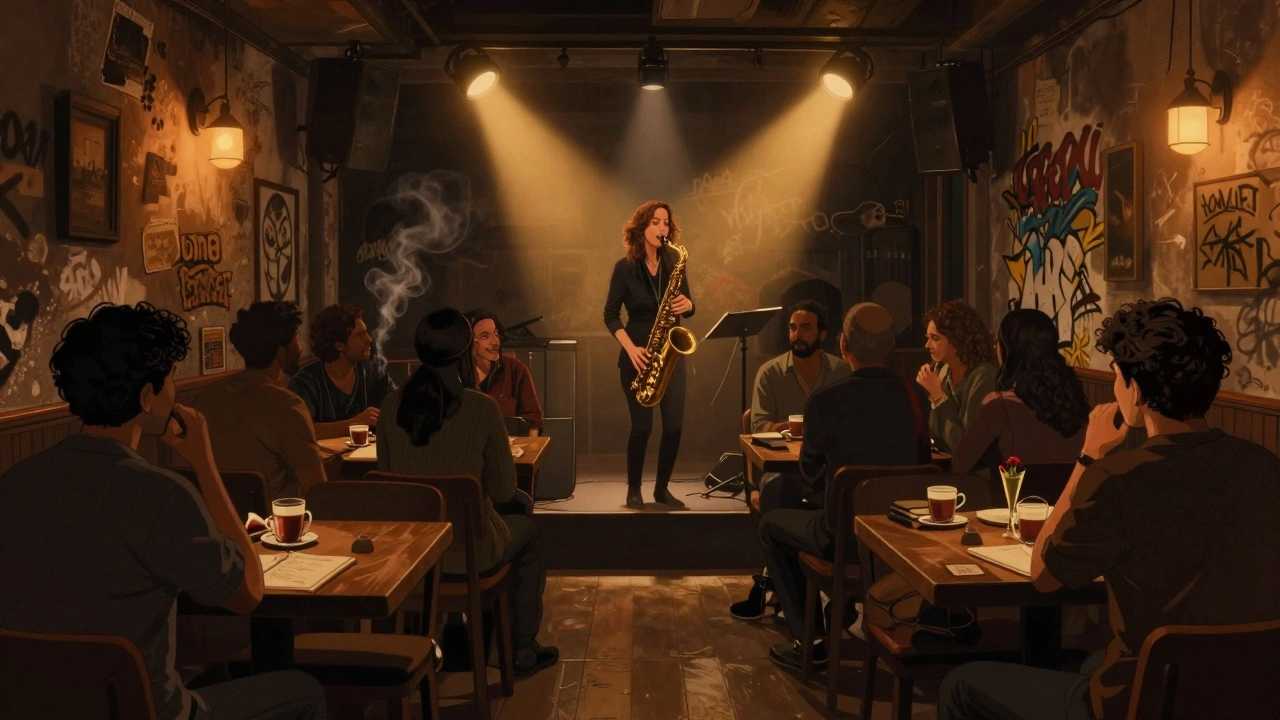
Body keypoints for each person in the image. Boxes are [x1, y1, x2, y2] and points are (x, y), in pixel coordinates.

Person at [940, 298, 1280, 720]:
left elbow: (1043, 575)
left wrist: (1087, 458)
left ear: (1134, 389)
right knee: (1090, 662)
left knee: (961, 685)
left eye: (1118, 377)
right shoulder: (1264, 465)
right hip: (1252, 692)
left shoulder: (1118, 477)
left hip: (1142, 701)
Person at [0, 302, 325, 720]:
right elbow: (247, 593)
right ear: (148, 397)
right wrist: (204, 464)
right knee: (302, 691)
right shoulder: (161, 495)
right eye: (170, 378)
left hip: (28, 708)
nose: (173, 389)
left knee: (216, 675)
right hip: (144, 711)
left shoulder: (14, 483)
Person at [376, 308, 558, 678]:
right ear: (464, 352)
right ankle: (520, 647)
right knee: (529, 531)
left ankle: (449, 633)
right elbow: (506, 488)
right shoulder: (480, 407)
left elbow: (388, 480)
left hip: (410, 553)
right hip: (468, 553)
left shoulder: (391, 406)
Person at [760, 302, 929, 672]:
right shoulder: (917, 397)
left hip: (843, 536)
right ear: (891, 348)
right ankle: (839, 615)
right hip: (901, 535)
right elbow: (922, 465)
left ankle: (812, 640)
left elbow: (810, 474)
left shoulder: (825, 401)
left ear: (842, 345)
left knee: (772, 524)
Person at [731, 300, 851, 621]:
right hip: (783, 466)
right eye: (792, 327)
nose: (797, 334)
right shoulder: (770, 372)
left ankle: (827, 592)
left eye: (806, 327)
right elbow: (757, 425)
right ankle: (778, 585)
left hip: (824, 470)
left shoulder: (840, 371)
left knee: (847, 489)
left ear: (822, 334)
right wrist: (786, 427)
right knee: (774, 488)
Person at [603, 200, 695, 510]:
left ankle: (662, 489)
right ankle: (633, 490)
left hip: (670, 355)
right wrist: (630, 349)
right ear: (642, 228)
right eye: (655, 222)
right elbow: (611, 314)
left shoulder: (674, 261)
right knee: (642, 427)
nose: (662, 228)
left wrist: (688, 305)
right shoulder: (625, 267)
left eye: (666, 223)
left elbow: (689, 304)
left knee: (674, 427)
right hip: (637, 356)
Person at [189, 301, 327, 502]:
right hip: (275, 527)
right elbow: (317, 492)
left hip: (214, 522)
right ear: (280, 352)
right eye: (296, 339)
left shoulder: (204, 398)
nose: (301, 346)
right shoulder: (287, 406)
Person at [950, 308, 1090, 478]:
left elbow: (960, 463)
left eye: (998, 342)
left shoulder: (999, 407)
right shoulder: (1076, 403)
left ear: (1008, 350)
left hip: (1012, 501)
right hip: (1071, 501)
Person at [289, 304, 397, 440]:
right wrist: (355, 423)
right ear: (339, 345)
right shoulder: (306, 381)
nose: (369, 339)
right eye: (360, 335)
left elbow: (397, 401)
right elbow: (303, 430)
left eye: (366, 332)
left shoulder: (373, 368)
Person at [916, 299, 998, 453]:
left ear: (958, 338)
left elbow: (965, 447)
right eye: (928, 337)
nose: (927, 345)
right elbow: (935, 435)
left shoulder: (984, 377)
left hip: (976, 474)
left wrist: (939, 397)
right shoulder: (944, 372)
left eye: (935, 338)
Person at [463, 308, 544, 436]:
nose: (495, 342)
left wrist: (529, 452)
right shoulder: (455, 373)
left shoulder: (516, 370)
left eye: (496, 334)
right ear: (467, 341)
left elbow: (533, 422)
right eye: (485, 336)